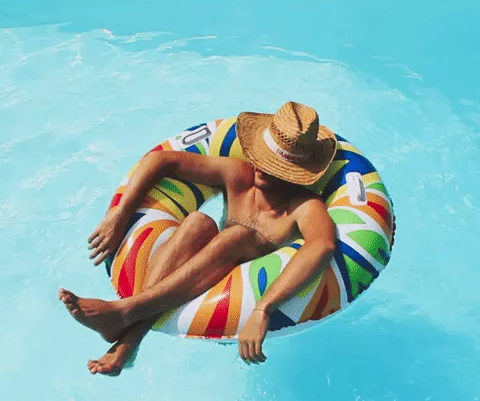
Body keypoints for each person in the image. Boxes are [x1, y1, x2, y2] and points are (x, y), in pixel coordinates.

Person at [59, 101, 338, 375]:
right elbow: (161, 160)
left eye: (274, 163)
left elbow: (322, 245)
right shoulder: (239, 175)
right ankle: (127, 340)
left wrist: (263, 309)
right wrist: (121, 215)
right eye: (262, 156)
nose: (261, 167)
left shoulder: (304, 207)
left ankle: (126, 327)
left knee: (238, 236)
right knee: (197, 223)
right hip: (198, 274)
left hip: (234, 300)